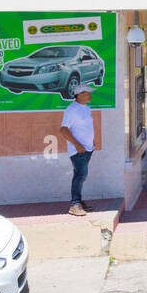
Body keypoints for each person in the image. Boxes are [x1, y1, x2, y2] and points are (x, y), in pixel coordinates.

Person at [60, 85, 99, 217]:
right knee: (80, 175)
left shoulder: (86, 108)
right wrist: (77, 145)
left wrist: (91, 141)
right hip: (79, 150)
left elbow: (85, 127)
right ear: (80, 94)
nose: (90, 95)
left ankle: (79, 201)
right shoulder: (72, 110)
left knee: (82, 176)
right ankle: (74, 204)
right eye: (88, 93)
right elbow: (63, 130)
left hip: (87, 148)